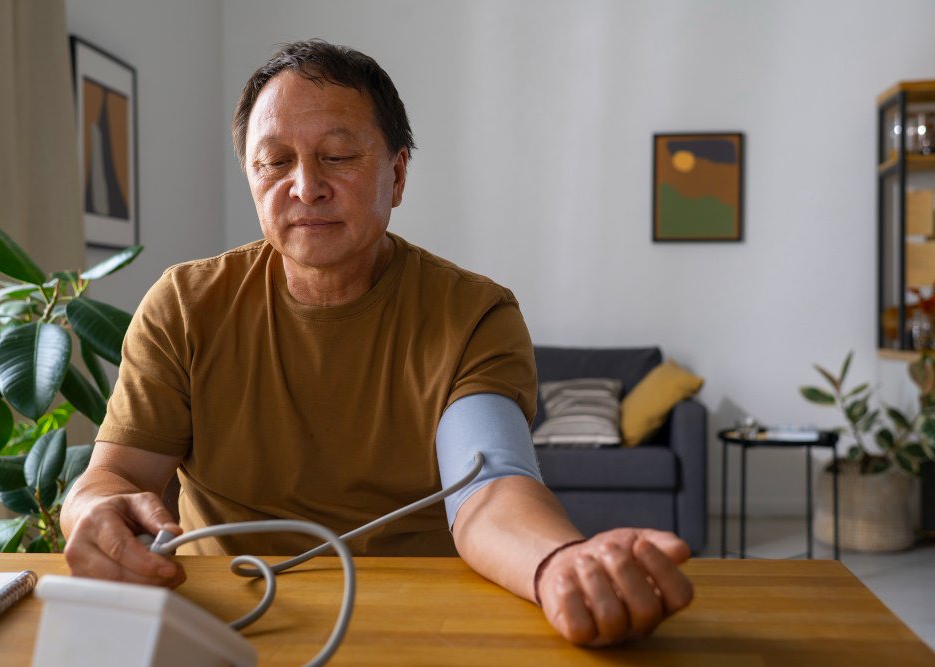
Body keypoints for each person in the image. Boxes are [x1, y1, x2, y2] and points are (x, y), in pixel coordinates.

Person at [60, 39, 692, 647]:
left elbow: (489, 485)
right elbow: (115, 475)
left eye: (338, 156)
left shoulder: (473, 313)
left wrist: (558, 562)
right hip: (232, 616)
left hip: (423, 616)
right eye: (274, 161)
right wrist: (95, 512)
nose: (305, 187)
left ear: (398, 173)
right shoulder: (185, 305)